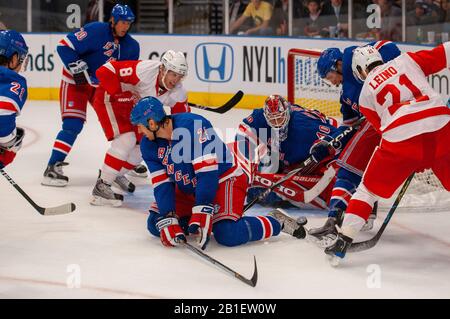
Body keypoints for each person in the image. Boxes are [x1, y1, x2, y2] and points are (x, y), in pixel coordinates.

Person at [326, 44, 450, 262]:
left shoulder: (364, 94)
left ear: (359, 71)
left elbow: (381, 129)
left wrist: (411, 159)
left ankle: (343, 241)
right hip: (441, 126)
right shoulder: (407, 60)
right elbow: (445, 52)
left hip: (401, 138)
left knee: (367, 191)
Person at [131, 96, 307, 249]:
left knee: (227, 233)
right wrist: (169, 216)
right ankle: (198, 222)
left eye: (140, 126)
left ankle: (277, 222)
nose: (139, 131)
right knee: (155, 224)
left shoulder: (193, 125)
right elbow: (162, 184)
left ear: (151, 123)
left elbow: (207, 174)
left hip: (224, 179)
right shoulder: (148, 145)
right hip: (188, 188)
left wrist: (203, 208)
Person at [308, 41, 401, 246]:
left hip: (391, 120)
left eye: (330, 77)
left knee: (348, 165)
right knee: (363, 166)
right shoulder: (346, 95)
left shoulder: (353, 57)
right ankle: (360, 213)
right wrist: (330, 142)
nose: (332, 83)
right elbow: (348, 125)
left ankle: (334, 220)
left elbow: (390, 47)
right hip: (382, 126)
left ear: (338, 65)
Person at [42, 4, 141, 187]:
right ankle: (52, 167)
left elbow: (127, 75)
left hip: (100, 87)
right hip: (76, 83)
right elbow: (64, 47)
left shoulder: (132, 47)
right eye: (122, 22)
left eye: (128, 23)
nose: (125, 26)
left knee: (124, 123)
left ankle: (124, 165)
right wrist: (78, 68)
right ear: (113, 20)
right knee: (73, 124)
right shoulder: (95, 30)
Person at [90, 50, 190, 207]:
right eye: (172, 73)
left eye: (179, 75)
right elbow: (104, 70)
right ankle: (102, 186)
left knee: (143, 147)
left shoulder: (178, 92)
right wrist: (118, 93)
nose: (175, 80)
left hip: (133, 107)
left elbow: (181, 121)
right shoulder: (143, 70)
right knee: (127, 139)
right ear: (162, 69)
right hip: (109, 98)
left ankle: (115, 174)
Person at [235, 94, 341, 210]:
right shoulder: (260, 118)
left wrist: (322, 147)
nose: (277, 123)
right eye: (272, 119)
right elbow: (243, 131)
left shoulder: (304, 126)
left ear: (287, 113)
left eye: (279, 118)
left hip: (311, 156)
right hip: (285, 158)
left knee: (332, 189)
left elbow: (337, 135)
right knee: (254, 189)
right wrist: (245, 162)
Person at [0, 30, 29, 170]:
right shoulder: (11, 82)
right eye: (21, 59)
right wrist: (11, 142)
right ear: (13, 59)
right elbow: (2, 123)